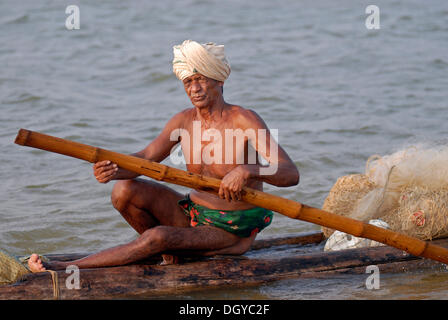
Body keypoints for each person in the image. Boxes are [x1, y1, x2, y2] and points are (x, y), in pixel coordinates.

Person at [28, 40, 299, 272]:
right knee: (124, 191)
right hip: (192, 214)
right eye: (189, 82)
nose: (195, 88)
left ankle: (65, 269)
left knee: (157, 235)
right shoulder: (183, 121)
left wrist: (248, 170)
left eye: (201, 79)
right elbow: (146, 157)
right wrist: (114, 170)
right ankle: (168, 254)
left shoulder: (243, 119)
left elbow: (289, 173)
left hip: (230, 231)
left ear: (219, 79)